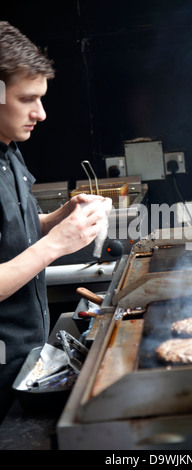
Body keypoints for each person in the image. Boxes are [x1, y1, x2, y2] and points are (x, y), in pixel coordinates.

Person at [0, 21, 111, 421]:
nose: (41, 114)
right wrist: (56, 244)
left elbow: (12, 233)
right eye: (27, 99)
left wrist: (57, 219)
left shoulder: (8, 150)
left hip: (21, 363)